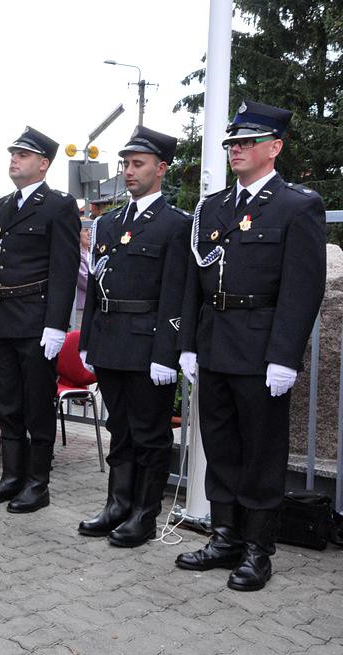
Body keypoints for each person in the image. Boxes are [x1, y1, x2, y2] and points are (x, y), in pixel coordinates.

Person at [176, 101, 326, 591]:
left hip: (261, 350)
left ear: (275, 148)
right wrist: (188, 344)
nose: (236, 149)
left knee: (261, 451)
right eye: (233, 143)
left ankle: (258, 548)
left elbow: (303, 288)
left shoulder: (296, 205)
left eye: (247, 142)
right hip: (216, 342)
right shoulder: (214, 207)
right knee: (220, 445)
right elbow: (193, 282)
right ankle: (225, 536)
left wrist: (285, 356)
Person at [77, 127, 189, 547]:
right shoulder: (107, 223)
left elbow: (177, 294)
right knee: (118, 428)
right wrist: (87, 339)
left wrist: (168, 353)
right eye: (125, 163)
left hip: (147, 344)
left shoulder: (177, 224)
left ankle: (144, 514)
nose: (128, 171)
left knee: (149, 433)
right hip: (110, 341)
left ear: (160, 169)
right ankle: (117, 504)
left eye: (137, 164)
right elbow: (95, 287)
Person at [0, 126, 80, 513]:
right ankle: (11, 476)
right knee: (7, 403)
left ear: (43, 163)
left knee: (36, 404)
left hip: (36, 321)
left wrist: (56, 324)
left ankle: (38, 483)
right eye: (13, 154)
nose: (14, 160)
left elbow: (65, 269)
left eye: (23, 155)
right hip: (2, 319)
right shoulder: (2, 206)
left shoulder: (58, 205)